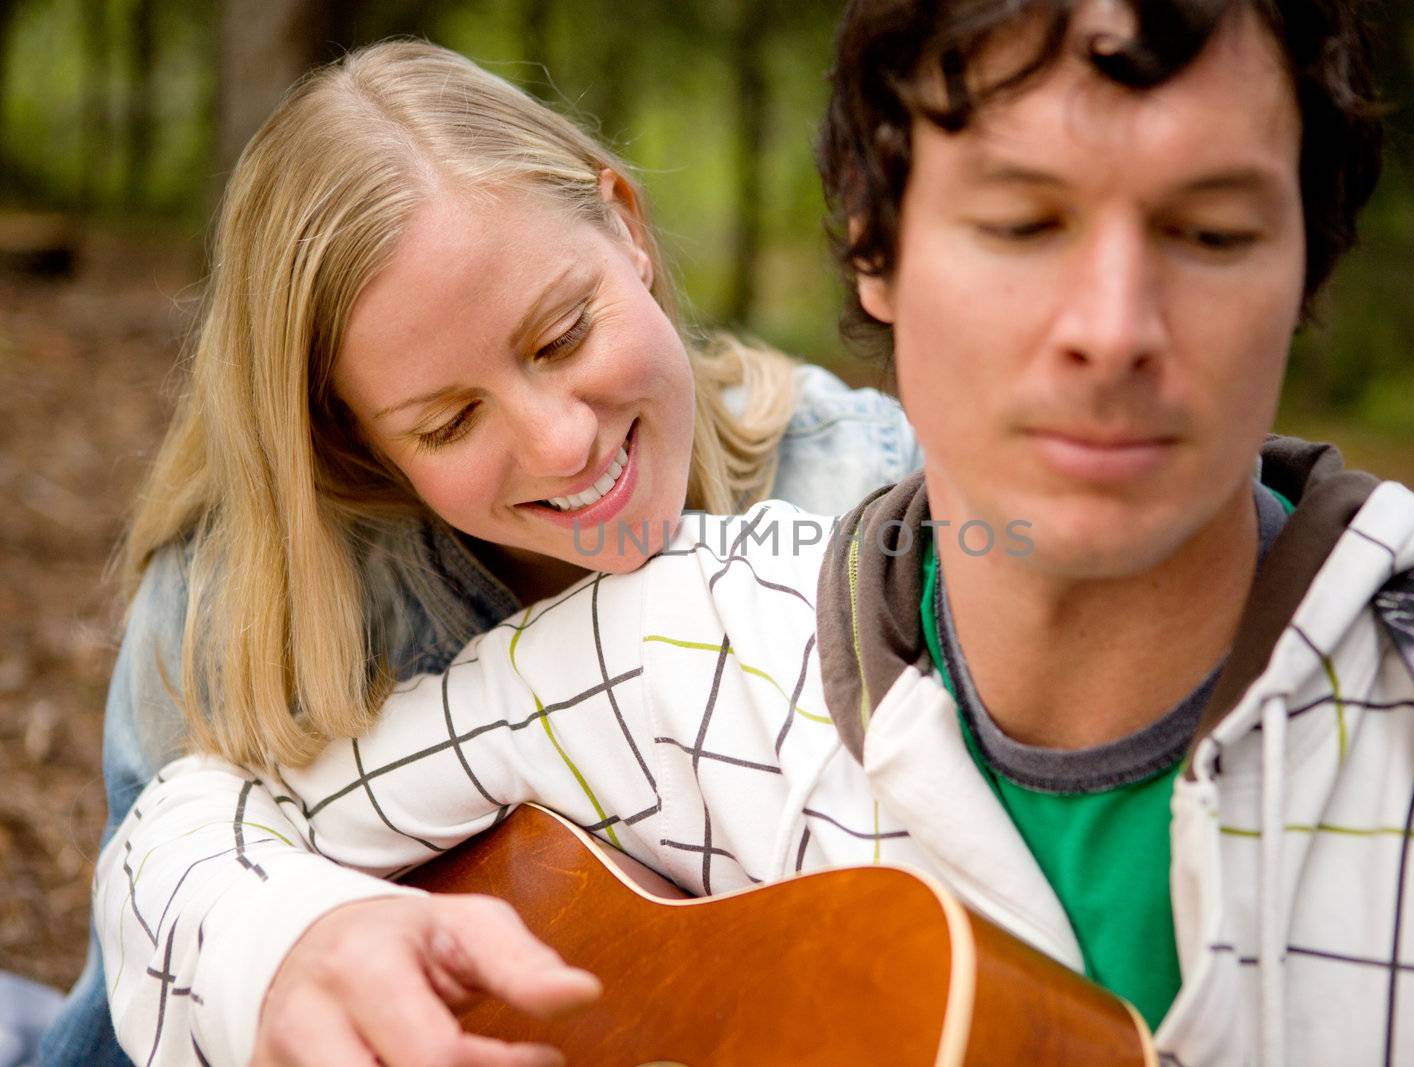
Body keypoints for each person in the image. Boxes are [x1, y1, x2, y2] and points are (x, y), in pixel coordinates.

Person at [97, 2, 1414, 1065]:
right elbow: (180, 836)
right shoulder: (680, 639)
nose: (1113, 330)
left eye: (1212, 229)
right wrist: (275, 945)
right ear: (873, 248)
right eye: (1021, 223)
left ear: (1309, 259)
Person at [38, 41, 923, 1067]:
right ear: (353, 438)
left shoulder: (872, 487)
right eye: (451, 421)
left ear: (626, 227)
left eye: (561, 336)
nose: (562, 441)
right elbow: (137, 1013)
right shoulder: (238, 614)